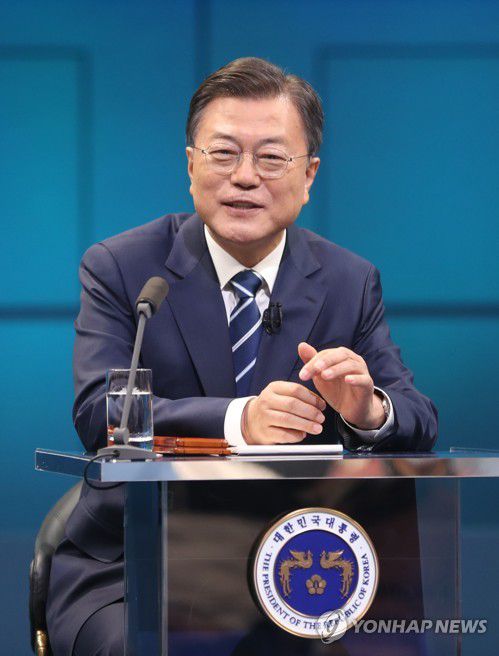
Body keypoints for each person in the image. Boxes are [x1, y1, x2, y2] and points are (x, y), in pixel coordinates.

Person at [46, 57, 437, 655]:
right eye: (223, 154)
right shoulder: (124, 268)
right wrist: (240, 421)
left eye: (271, 158)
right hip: (139, 561)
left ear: (308, 176)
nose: (245, 177)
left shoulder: (349, 280)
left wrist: (368, 411)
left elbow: (416, 416)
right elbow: (102, 410)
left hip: (299, 560)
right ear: (191, 166)